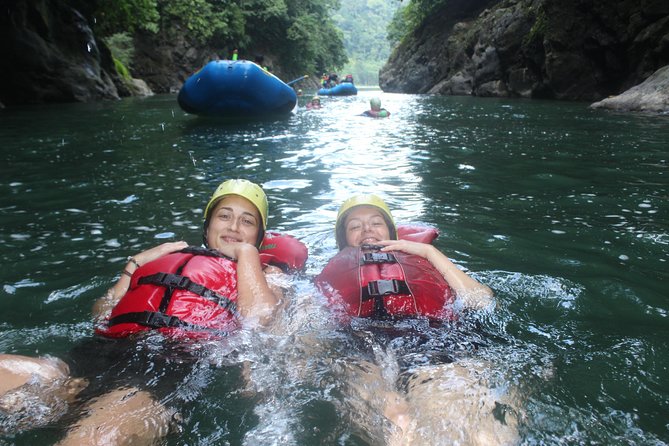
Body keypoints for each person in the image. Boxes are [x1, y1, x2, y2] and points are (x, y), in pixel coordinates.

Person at [1, 179, 304, 443]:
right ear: (208, 225)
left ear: (260, 236)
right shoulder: (169, 257)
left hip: (167, 365)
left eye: (247, 221)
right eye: (224, 216)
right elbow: (102, 316)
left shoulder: (263, 274)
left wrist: (247, 254)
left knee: (91, 439)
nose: (234, 227)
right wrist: (134, 265)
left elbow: (261, 318)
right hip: (97, 353)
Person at [315, 194, 519, 445]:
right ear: (343, 240)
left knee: (481, 434)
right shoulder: (331, 272)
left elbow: (483, 301)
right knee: (397, 425)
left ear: (392, 232)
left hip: (428, 339)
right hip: (359, 347)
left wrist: (429, 251)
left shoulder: (422, 261)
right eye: (355, 226)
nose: (367, 229)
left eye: (376, 223)